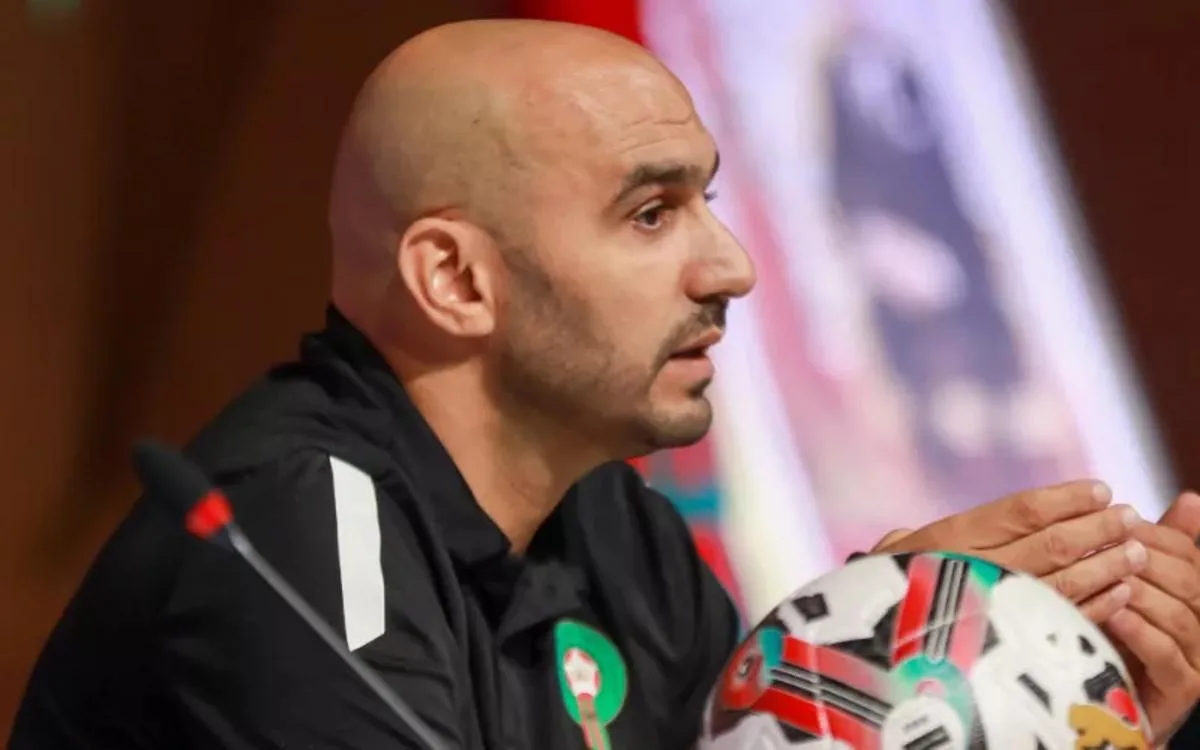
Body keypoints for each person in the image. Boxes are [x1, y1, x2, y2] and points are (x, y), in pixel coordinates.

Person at [9, 18, 1200, 750]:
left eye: (710, 201)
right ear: (456, 280)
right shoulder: (296, 537)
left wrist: (1018, 711)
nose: (729, 266)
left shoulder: (622, 536)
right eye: (649, 213)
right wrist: (851, 709)